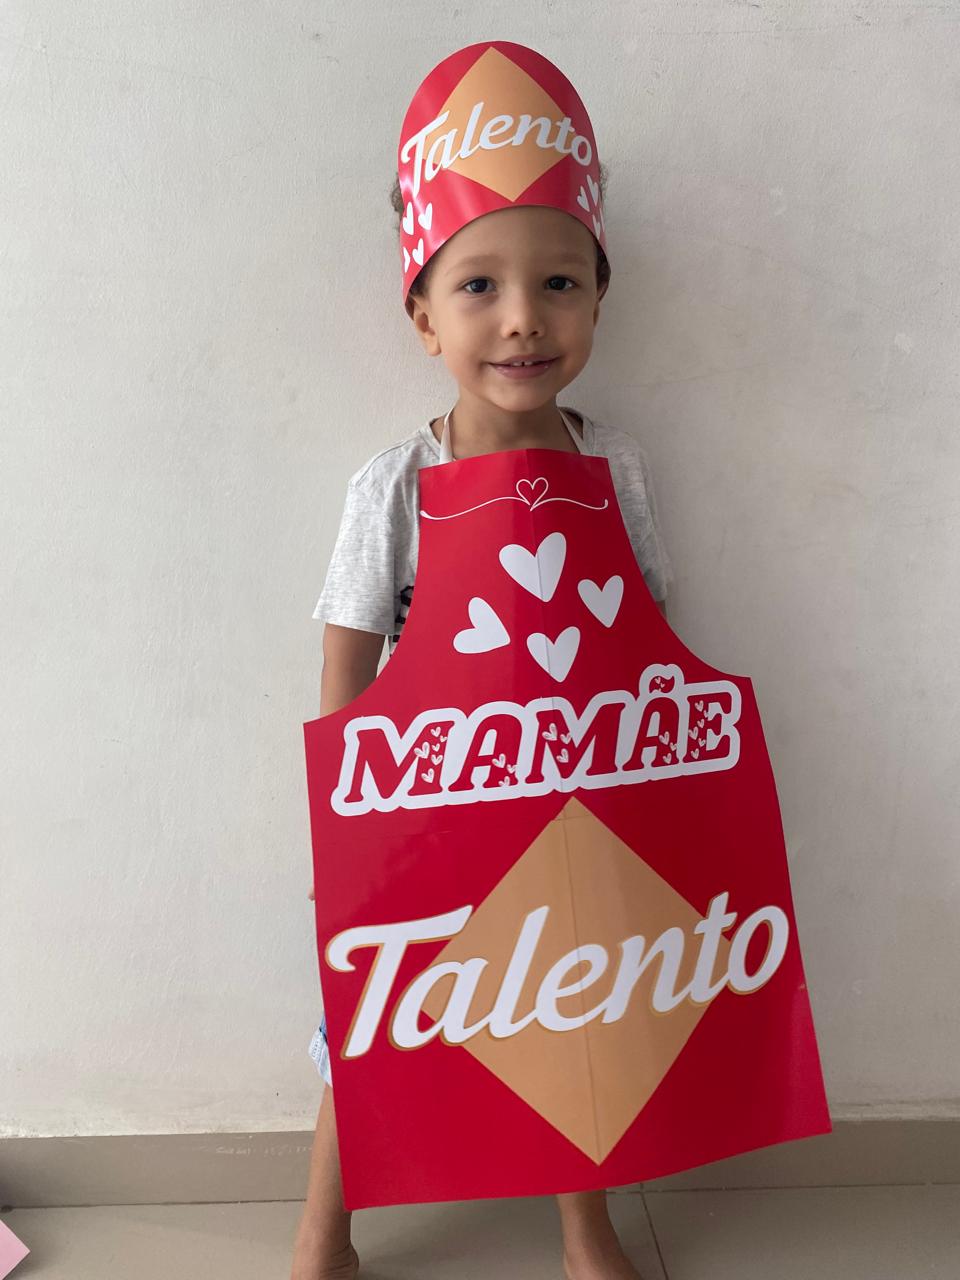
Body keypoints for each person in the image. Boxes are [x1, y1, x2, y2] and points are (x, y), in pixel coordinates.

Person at [291, 44, 673, 1280]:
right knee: (369, 1024)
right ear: (423, 316)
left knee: (577, 1019)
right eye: (478, 285)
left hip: (575, 804)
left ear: (598, 301)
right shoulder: (393, 484)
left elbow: (650, 637)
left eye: (558, 281)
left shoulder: (613, 468)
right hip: (421, 812)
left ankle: (584, 1225)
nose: (522, 317)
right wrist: (347, 835)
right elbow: (348, 659)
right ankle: (324, 1232)